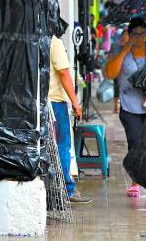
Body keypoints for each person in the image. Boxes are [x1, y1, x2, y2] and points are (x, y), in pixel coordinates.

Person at [105, 17, 146, 197]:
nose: (139, 37)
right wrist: (127, 47)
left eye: (143, 33)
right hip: (129, 106)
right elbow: (110, 73)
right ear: (129, 33)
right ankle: (136, 182)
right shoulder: (119, 49)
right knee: (135, 144)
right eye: (135, 33)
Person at [49, 20, 93, 204]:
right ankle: (67, 189)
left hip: (42, 102)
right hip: (56, 103)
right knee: (62, 146)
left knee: (50, 148)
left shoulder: (36, 40)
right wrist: (76, 103)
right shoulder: (55, 43)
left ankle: (55, 190)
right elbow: (65, 74)